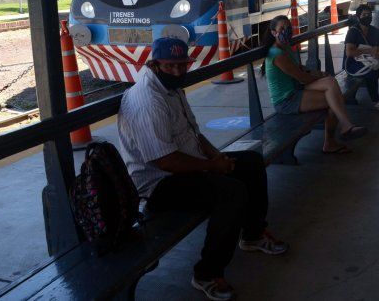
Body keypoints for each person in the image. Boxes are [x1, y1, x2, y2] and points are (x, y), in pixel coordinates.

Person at [117, 37, 287, 301]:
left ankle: (253, 235)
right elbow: (165, 161)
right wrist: (212, 166)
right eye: (170, 66)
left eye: (182, 65)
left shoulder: (171, 87)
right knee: (231, 192)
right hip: (160, 184)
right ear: (154, 64)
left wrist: (218, 158)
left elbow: (194, 134)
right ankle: (207, 273)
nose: (177, 71)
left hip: (187, 165)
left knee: (250, 163)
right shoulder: (147, 100)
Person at [262, 15, 367, 153]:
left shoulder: (285, 48)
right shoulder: (277, 54)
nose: (286, 31)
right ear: (273, 32)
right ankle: (338, 134)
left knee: (331, 83)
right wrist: (319, 77)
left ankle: (343, 129)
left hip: (296, 89)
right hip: (286, 100)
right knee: (333, 99)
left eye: (288, 28)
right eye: (282, 29)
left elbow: (301, 69)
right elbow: (302, 78)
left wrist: (321, 74)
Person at [343, 4, 379, 112]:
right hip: (354, 64)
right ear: (358, 17)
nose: (367, 17)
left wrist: (377, 54)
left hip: (372, 61)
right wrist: (370, 50)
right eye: (364, 15)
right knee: (371, 72)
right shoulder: (353, 31)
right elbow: (349, 52)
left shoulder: (374, 31)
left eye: (369, 15)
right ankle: (376, 100)